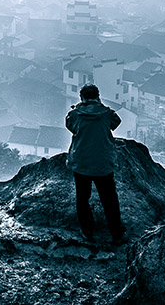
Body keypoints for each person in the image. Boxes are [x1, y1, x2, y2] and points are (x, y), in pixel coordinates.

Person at [65, 84, 126, 245]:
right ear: (98, 96)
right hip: (103, 163)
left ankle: (88, 230)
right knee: (109, 198)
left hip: (81, 162)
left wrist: (79, 108)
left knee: (82, 198)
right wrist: (102, 107)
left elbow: (70, 126)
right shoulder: (107, 114)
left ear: (82, 97)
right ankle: (116, 232)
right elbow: (116, 122)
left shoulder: (75, 114)